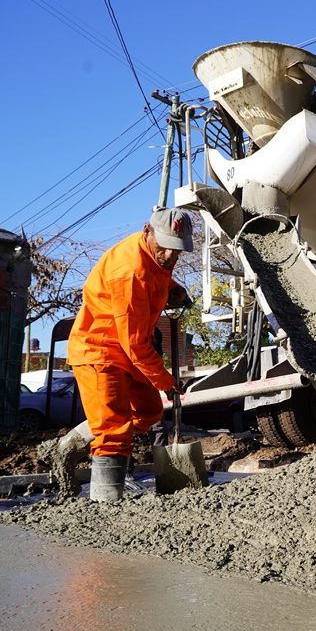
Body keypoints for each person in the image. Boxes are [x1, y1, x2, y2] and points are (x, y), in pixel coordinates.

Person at [67, 208, 194, 502]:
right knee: (115, 431)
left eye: (177, 249)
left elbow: (157, 276)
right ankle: (106, 502)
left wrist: (172, 288)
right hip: (99, 350)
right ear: (146, 230)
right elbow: (135, 344)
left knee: (149, 411)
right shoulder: (129, 272)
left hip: (126, 349)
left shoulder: (156, 255)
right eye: (165, 246)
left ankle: (79, 438)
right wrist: (165, 380)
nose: (170, 256)